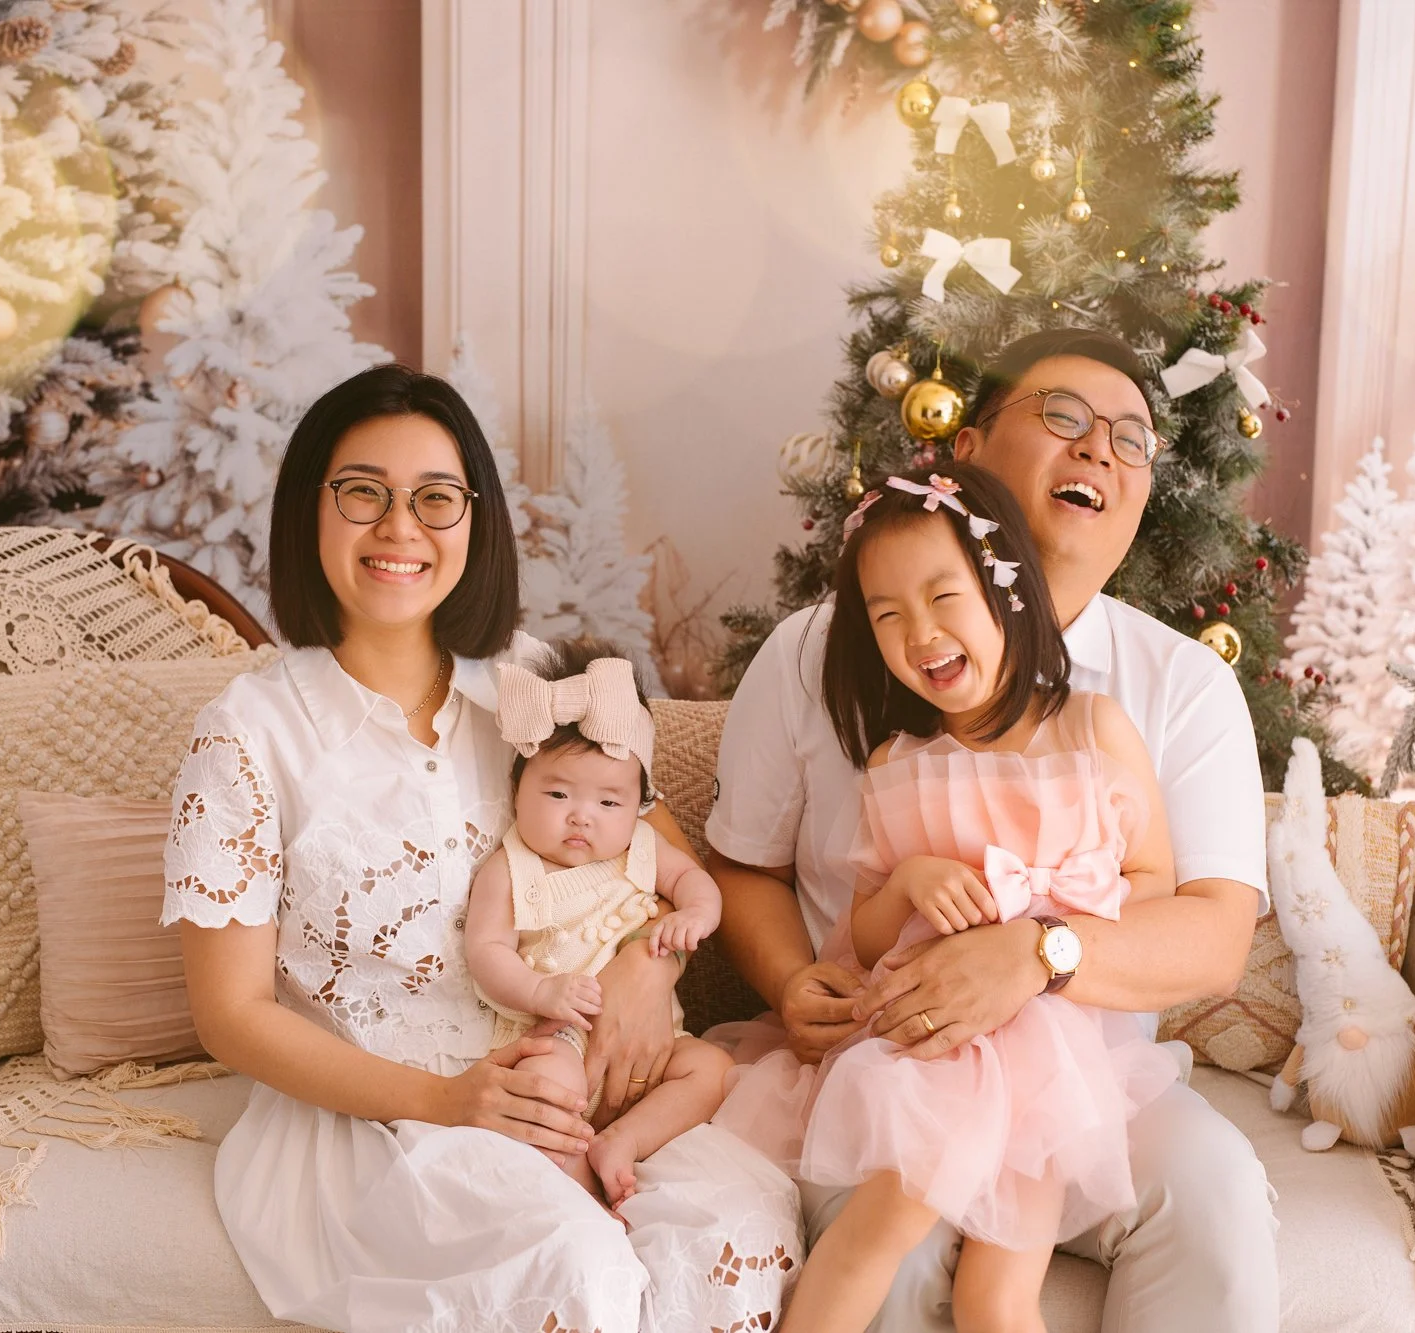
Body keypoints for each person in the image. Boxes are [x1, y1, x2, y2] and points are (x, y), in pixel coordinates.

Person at [163, 364, 798, 1333]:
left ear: (475, 520)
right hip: (377, 1114)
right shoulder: (249, 731)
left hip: (575, 1079)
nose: (398, 527)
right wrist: (446, 1100)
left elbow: (663, 865)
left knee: (728, 1230)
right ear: (309, 513)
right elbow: (232, 1014)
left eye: (434, 497)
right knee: (571, 1269)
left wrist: (635, 965)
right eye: (361, 491)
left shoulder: (535, 684)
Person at [707, 328, 1279, 1331]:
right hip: (901, 1062)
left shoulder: (1174, 687)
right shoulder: (818, 652)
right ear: (964, 452)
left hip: (1085, 1081)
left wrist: (1038, 953)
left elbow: (1212, 935)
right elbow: (741, 866)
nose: (1099, 449)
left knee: (1214, 1191)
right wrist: (796, 980)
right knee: (895, 1254)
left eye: (1130, 438)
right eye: (1063, 417)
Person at [465, 638, 734, 1209]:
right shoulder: (510, 867)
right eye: (558, 792)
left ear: (639, 802)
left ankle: (621, 1141)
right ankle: (565, 1185)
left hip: (655, 1041)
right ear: (518, 791)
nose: (582, 815)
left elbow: (695, 881)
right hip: (555, 1035)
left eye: (609, 802)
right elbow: (486, 950)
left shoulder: (641, 846)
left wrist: (695, 915)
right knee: (550, 1089)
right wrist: (541, 991)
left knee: (712, 1069)